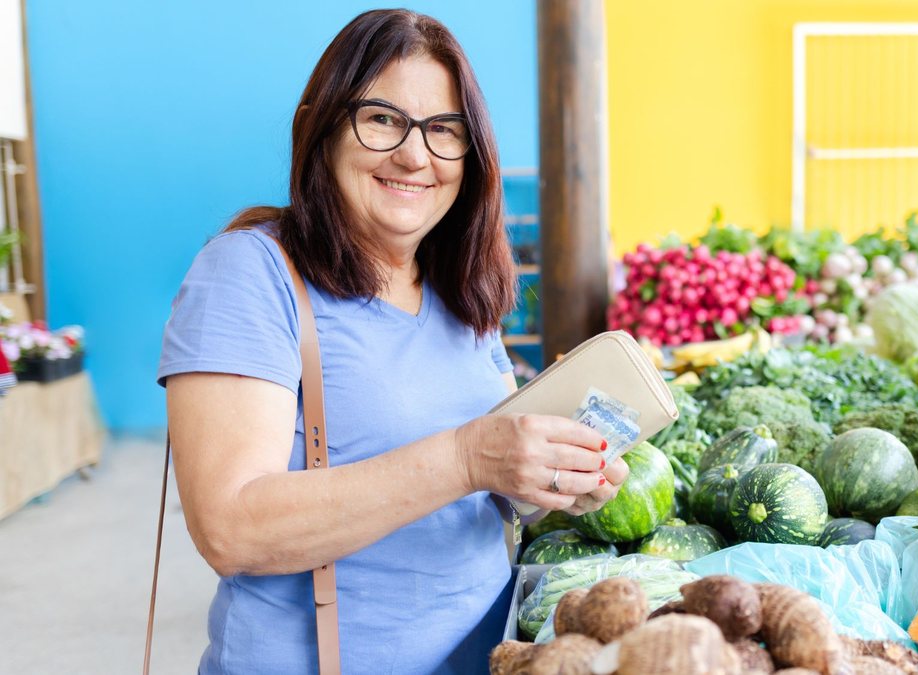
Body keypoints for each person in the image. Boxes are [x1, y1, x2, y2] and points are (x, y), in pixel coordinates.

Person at [157, 9, 628, 673]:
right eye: (382, 118)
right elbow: (230, 527)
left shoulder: (460, 291)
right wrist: (468, 456)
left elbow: (487, 494)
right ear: (321, 127)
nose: (415, 154)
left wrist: (556, 479)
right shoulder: (251, 272)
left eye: (444, 130)